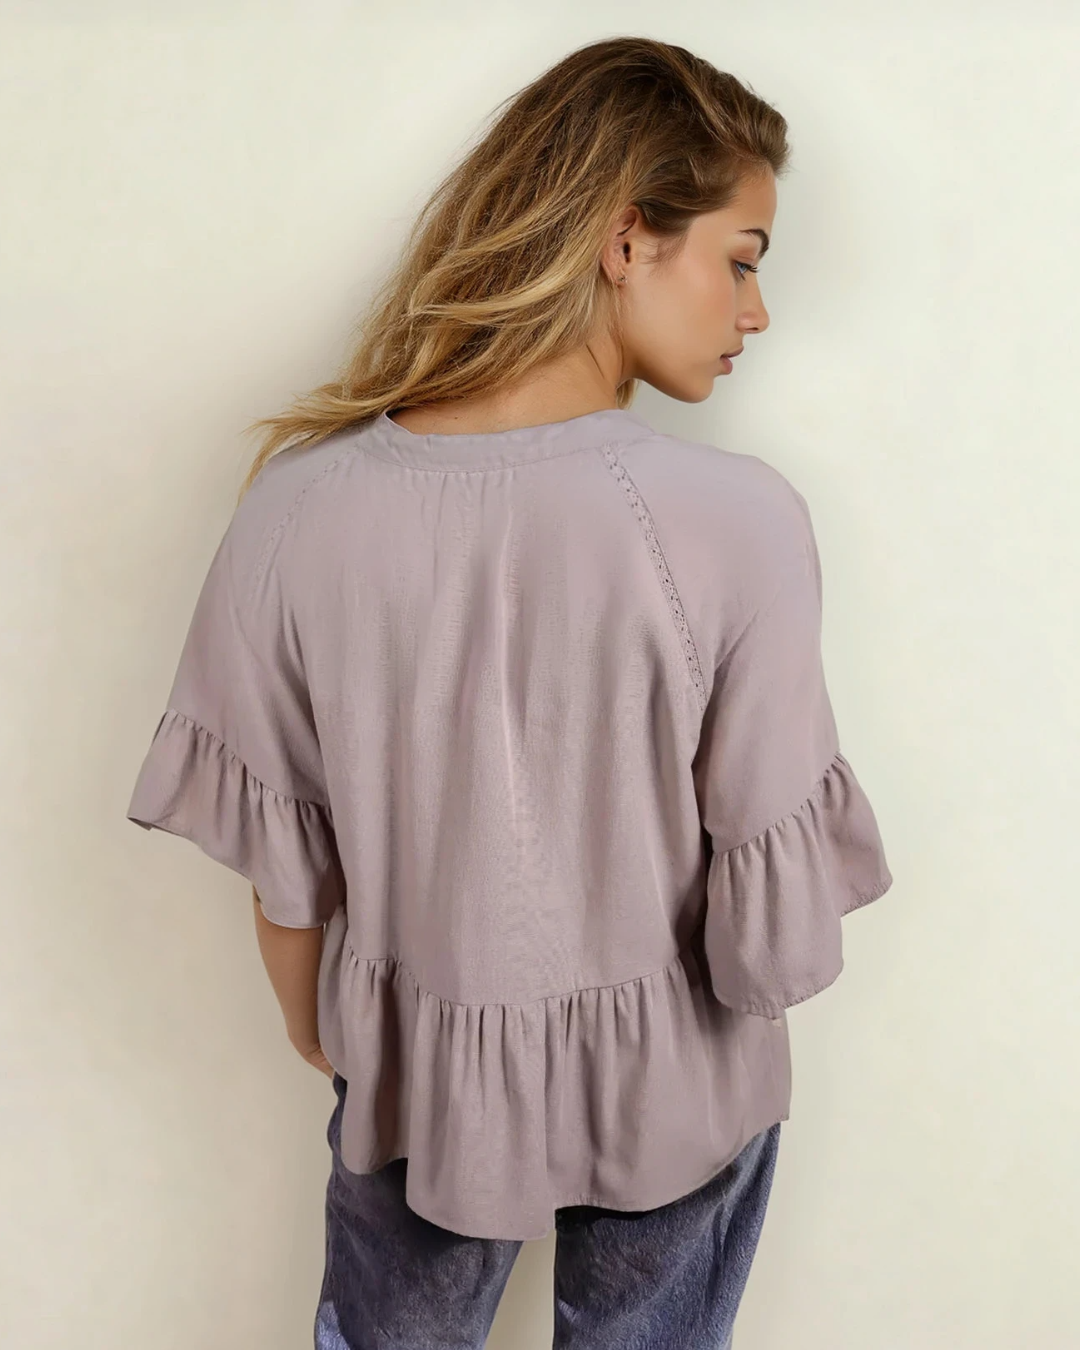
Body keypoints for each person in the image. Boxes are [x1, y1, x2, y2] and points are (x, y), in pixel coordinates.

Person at [124, 34, 893, 1350]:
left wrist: (361, 1042)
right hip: (681, 1085)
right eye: (743, 260)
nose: (755, 311)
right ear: (627, 239)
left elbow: (286, 881)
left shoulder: (298, 510)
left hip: (419, 1090)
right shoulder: (736, 520)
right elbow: (764, 943)